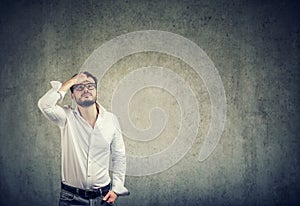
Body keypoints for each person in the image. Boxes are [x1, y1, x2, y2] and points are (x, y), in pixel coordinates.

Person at [38, 72, 128, 206]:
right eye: (79, 87)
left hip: (103, 197)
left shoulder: (111, 120)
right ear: (72, 96)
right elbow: (45, 104)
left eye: (90, 86)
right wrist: (72, 81)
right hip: (71, 198)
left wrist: (116, 189)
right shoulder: (66, 117)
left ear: (96, 92)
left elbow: (119, 155)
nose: (85, 89)